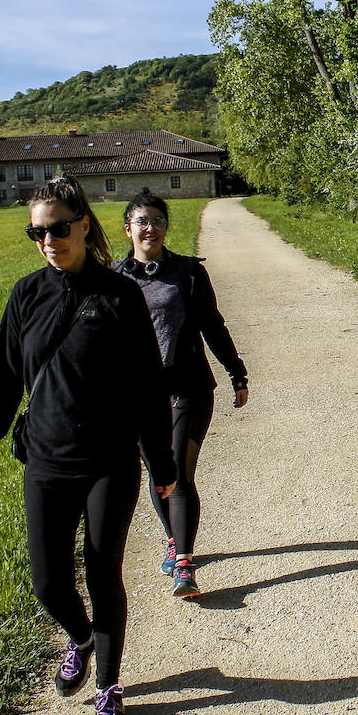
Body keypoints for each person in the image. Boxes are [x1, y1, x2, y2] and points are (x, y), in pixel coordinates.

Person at [0, 176, 174, 715]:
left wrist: (162, 464)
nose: (47, 240)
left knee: (102, 572)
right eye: (36, 232)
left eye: (57, 228)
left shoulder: (119, 295)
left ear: (83, 224)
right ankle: (80, 639)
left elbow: (148, 388)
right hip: (46, 458)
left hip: (109, 459)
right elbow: (5, 374)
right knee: (47, 583)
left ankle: (109, 686)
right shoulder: (26, 294)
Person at [114, 188, 249, 597]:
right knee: (159, 475)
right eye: (141, 221)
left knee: (177, 470)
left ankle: (185, 563)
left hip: (188, 387)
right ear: (128, 230)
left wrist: (236, 372)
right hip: (138, 394)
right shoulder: (114, 278)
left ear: (166, 227)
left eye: (156, 220)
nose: (149, 228)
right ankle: (174, 540)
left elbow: (213, 325)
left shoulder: (189, 273)